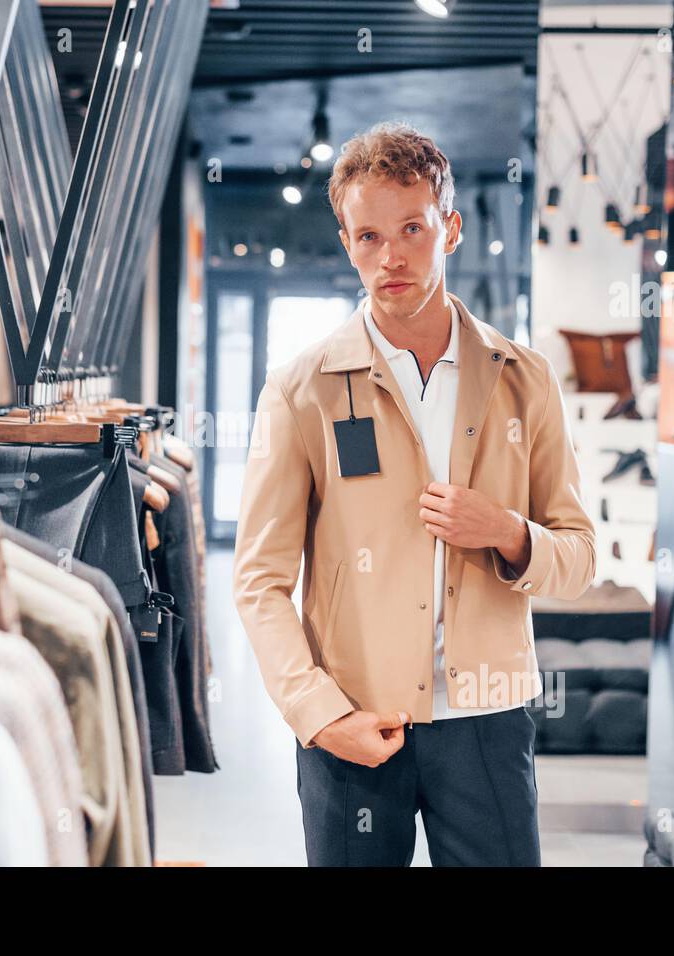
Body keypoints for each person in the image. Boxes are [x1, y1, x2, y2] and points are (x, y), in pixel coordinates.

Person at [232, 121, 596, 867]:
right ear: (346, 243)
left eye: (411, 228)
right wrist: (318, 714)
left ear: (450, 229)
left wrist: (508, 531)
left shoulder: (524, 379)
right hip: (356, 722)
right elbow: (259, 582)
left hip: (489, 723)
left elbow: (581, 555)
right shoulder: (301, 389)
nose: (390, 255)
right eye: (367, 236)